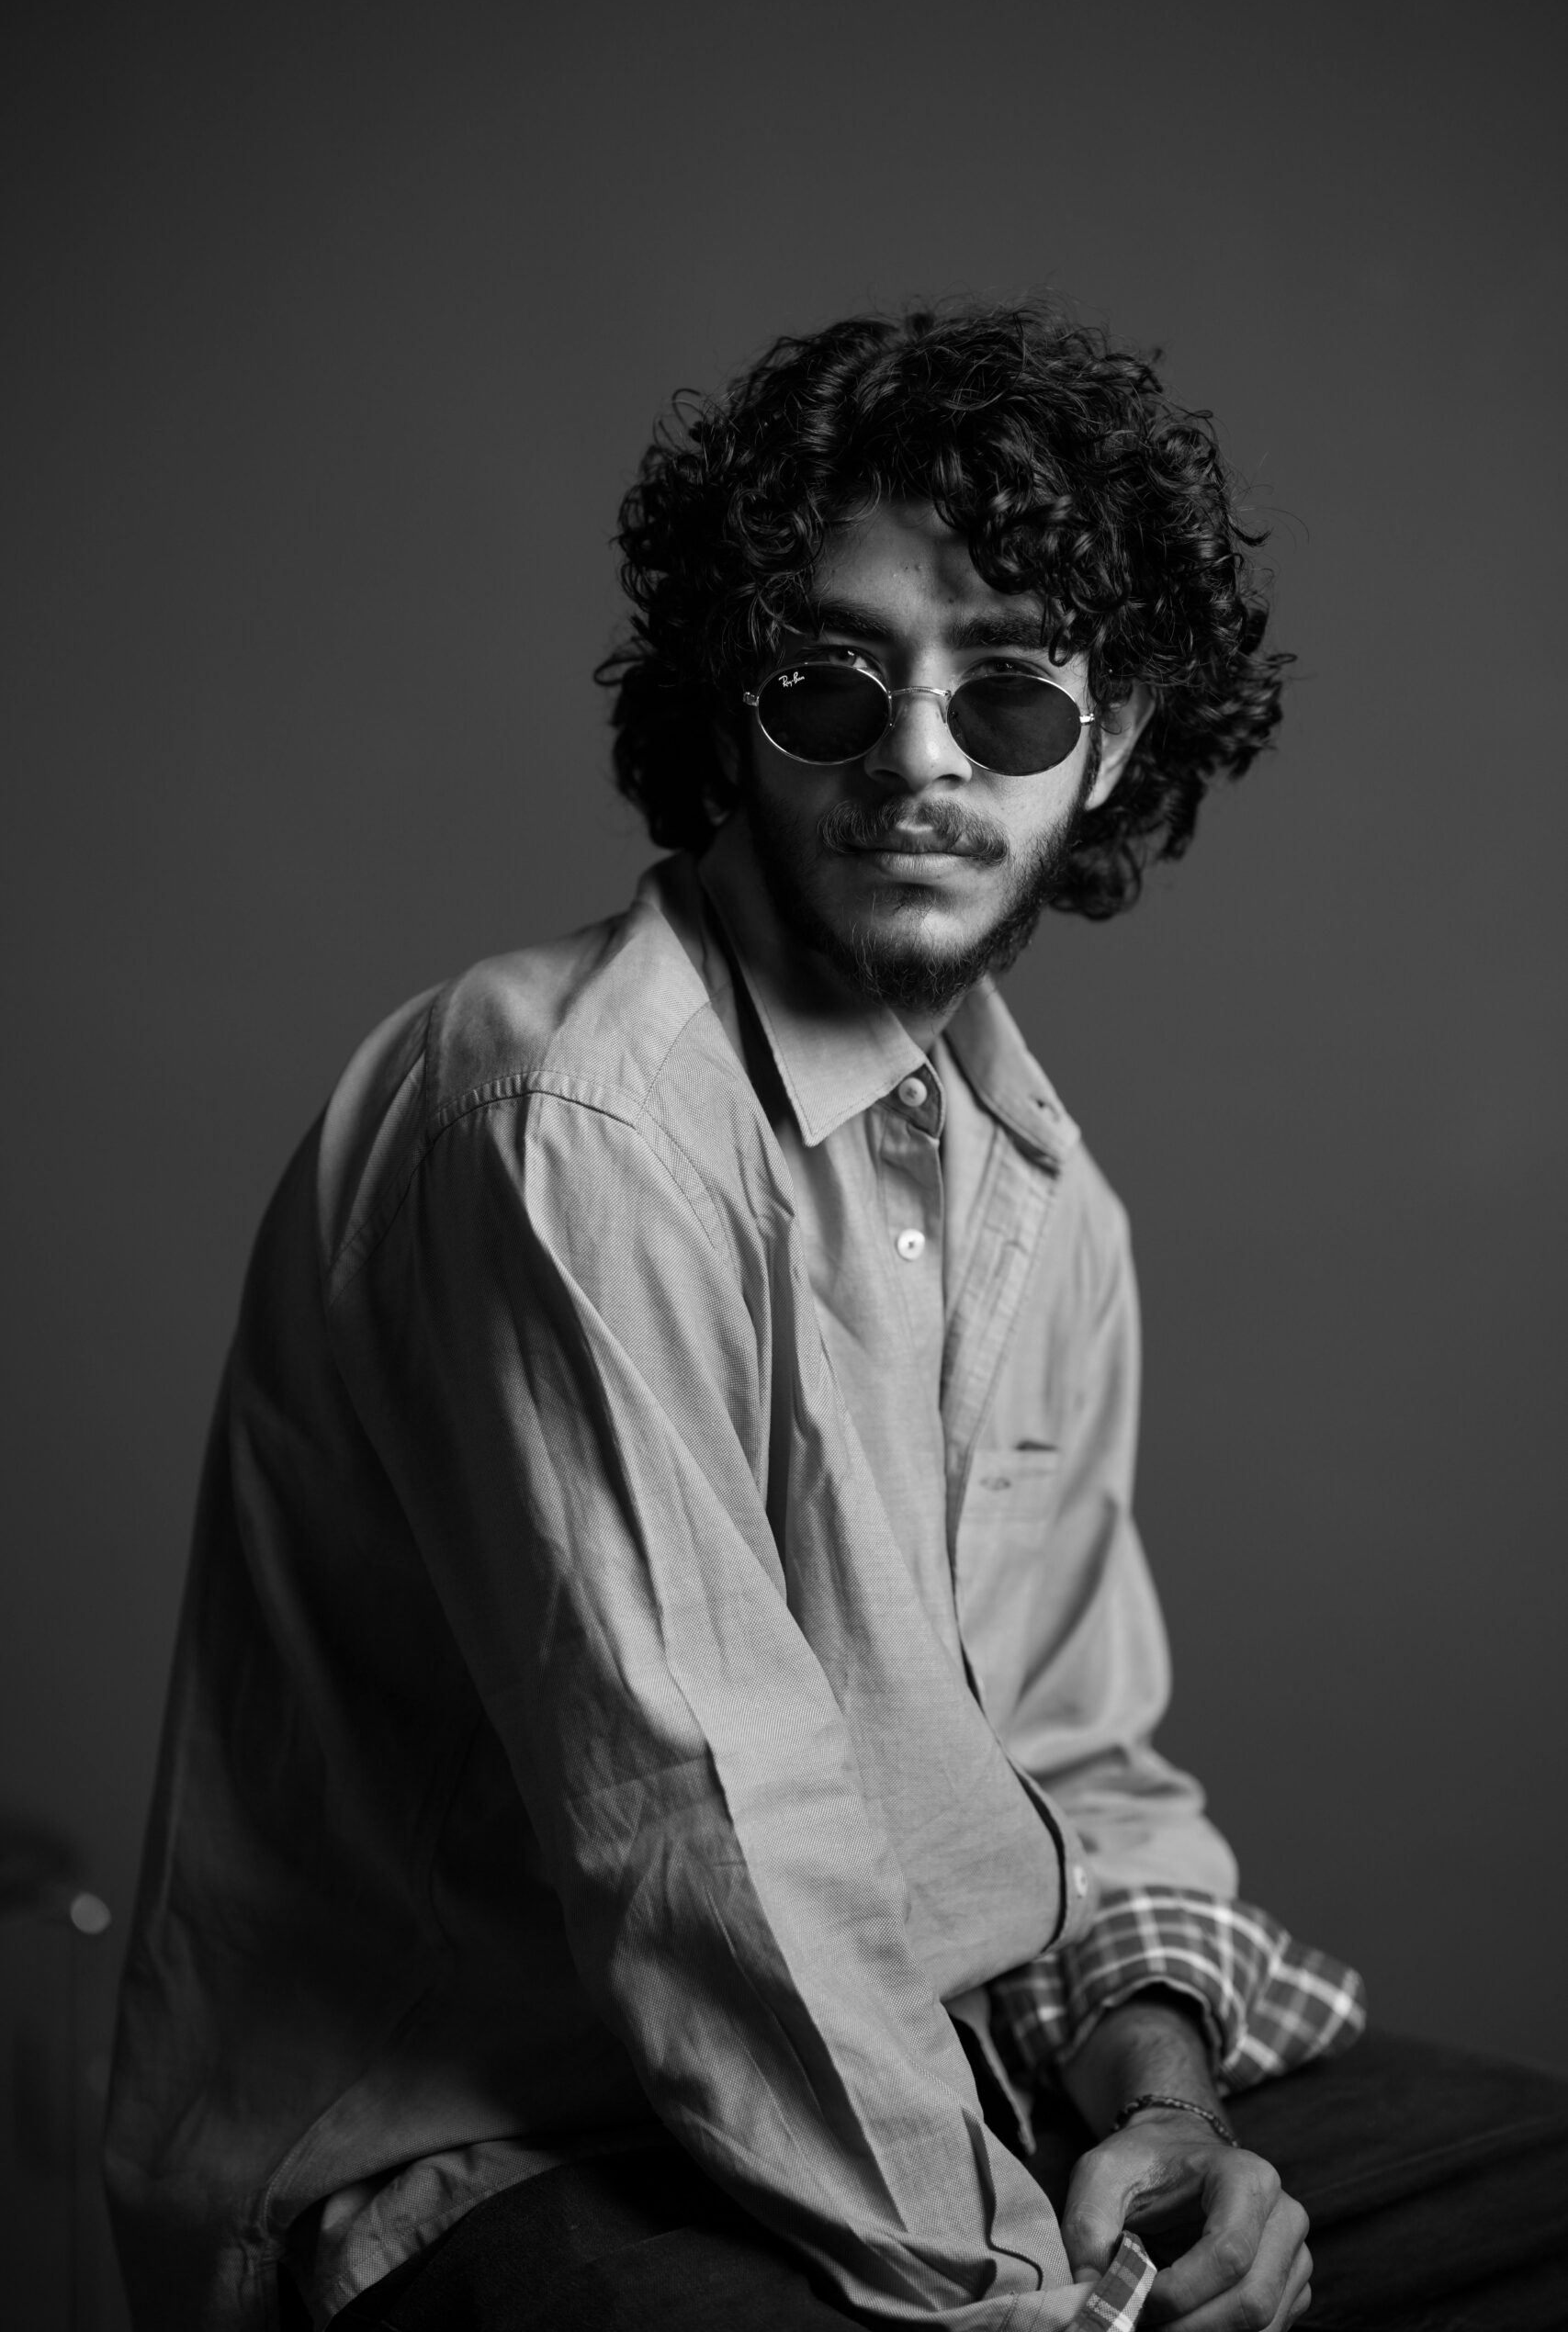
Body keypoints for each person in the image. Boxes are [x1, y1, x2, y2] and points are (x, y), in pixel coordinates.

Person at [105, 304, 1567, 2332]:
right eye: (830, 683)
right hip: (498, 2155)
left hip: (925, 2072)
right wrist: (1041, 2297)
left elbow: (1069, 1761)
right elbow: (704, 1844)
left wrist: (1164, 2115)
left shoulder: (1042, 1197)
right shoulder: (568, 1122)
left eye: (1013, 697)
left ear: (1114, 741)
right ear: (735, 714)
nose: (919, 758)